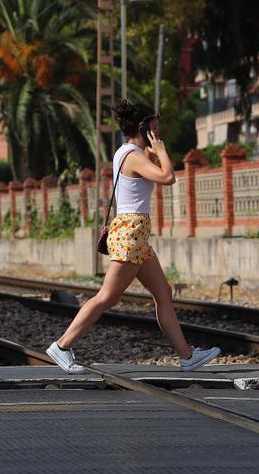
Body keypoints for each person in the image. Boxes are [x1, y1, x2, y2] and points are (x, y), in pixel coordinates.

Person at [47, 101, 220, 374]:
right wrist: (161, 152)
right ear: (143, 127)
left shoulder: (127, 153)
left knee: (163, 293)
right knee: (106, 297)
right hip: (131, 233)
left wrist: (153, 152)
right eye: (154, 125)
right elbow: (168, 177)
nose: (157, 130)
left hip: (136, 234)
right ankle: (62, 346)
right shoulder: (132, 156)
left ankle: (187, 356)